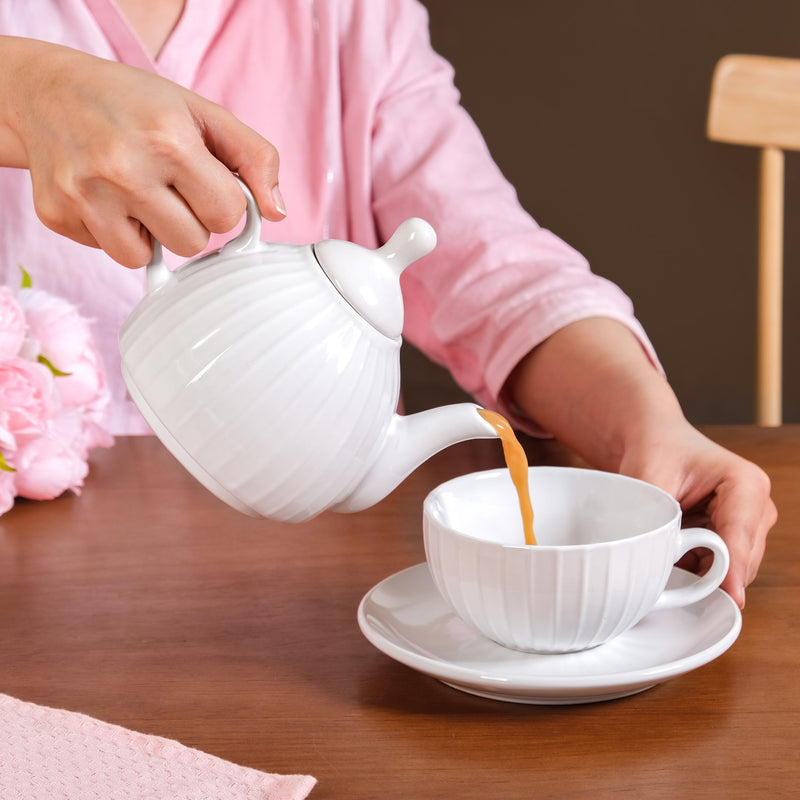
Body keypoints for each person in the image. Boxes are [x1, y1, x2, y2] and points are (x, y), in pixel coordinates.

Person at [0, 0, 775, 608]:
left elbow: (496, 269)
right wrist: (28, 86)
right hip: (30, 574)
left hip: (298, 596)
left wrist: (645, 423)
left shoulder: (351, 15)